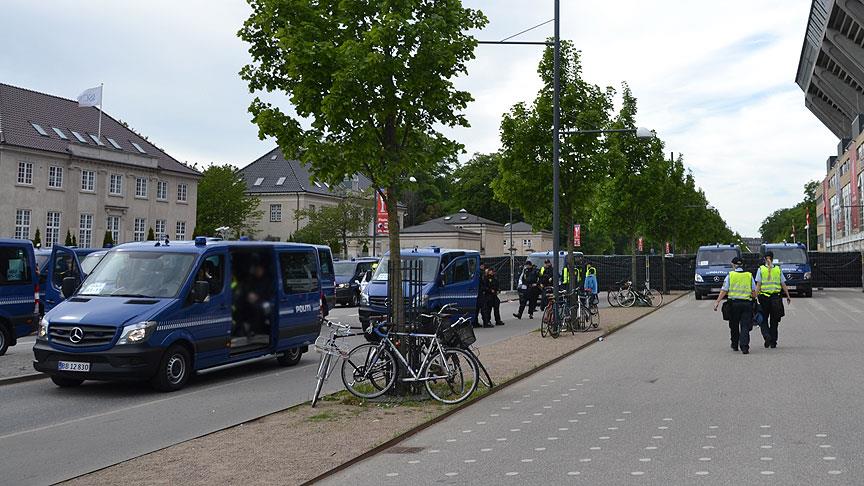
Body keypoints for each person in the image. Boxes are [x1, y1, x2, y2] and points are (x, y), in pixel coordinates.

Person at [713, 256, 757, 354]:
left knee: (734, 325)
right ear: (742, 265)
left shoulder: (730, 275)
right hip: (746, 304)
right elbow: (754, 292)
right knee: (745, 325)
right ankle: (745, 346)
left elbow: (724, 290)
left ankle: (735, 344)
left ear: (733, 265)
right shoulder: (749, 276)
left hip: (734, 304)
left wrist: (717, 301)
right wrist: (753, 299)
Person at [755, 251, 792, 348]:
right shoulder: (778, 269)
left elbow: (758, 285)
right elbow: (783, 284)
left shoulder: (761, 269)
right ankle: (773, 342)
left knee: (763, 319)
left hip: (764, 298)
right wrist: (788, 295)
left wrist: (754, 296)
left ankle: (767, 335)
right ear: (772, 258)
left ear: (764, 259)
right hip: (776, 298)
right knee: (774, 321)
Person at [474, 264, 488, 328]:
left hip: (476, 293)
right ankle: (486, 323)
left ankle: (475, 323)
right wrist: (485, 289)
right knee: (484, 308)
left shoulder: (475, 272)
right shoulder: (481, 273)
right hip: (481, 293)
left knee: (476, 309)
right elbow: (483, 283)